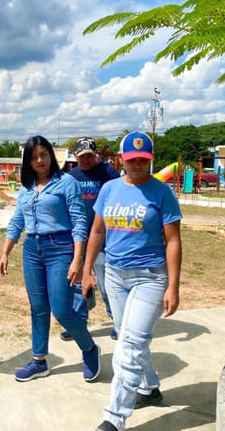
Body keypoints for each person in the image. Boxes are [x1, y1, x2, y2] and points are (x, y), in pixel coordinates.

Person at [82, 131, 182, 431]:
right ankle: (149, 387)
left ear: (150, 161)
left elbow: (173, 240)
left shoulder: (162, 193)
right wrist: (87, 270)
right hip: (114, 275)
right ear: (121, 160)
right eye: (132, 159)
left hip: (150, 277)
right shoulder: (110, 189)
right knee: (129, 337)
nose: (138, 164)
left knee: (130, 344)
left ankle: (114, 418)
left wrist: (174, 287)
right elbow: (97, 232)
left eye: (144, 160)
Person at [0, 135, 101, 383]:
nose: (40, 160)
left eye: (44, 155)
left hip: (61, 248)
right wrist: (5, 251)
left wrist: (77, 259)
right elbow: (17, 221)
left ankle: (89, 348)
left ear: (51, 157)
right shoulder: (26, 186)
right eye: (34, 157)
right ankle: (39, 361)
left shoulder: (66, 183)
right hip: (32, 249)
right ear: (28, 161)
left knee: (62, 310)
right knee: (38, 309)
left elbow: (79, 222)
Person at [60, 137, 120, 342]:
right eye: (81, 156)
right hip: (78, 238)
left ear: (96, 156)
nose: (85, 160)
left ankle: (117, 320)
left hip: (103, 239)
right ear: (75, 156)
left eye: (89, 156)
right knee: (76, 283)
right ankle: (77, 324)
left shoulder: (108, 173)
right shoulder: (71, 176)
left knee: (105, 283)